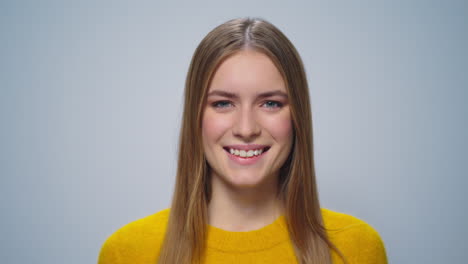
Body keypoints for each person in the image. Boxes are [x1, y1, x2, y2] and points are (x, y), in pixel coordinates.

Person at [98, 17, 388, 264]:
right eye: (223, 103)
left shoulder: (356, 248)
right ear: (195, 117)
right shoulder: (127, 252)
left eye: (270, 104)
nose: (246, 128)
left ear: (298, 116)